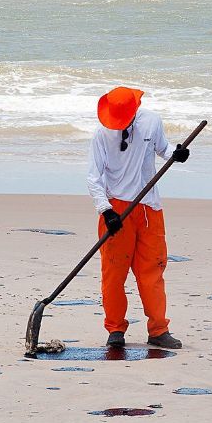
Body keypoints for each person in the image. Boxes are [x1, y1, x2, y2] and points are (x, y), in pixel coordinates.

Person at [86, 86, 189, 349]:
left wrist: (176, 155)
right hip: (116, 210)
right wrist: (106, 210)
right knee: (113, 273)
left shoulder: (152, 122)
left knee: (152, 271)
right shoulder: (101, 134)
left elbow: (163, 149)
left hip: (148, 208)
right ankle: (115, 330)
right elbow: (94, 177)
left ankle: (158, 330)